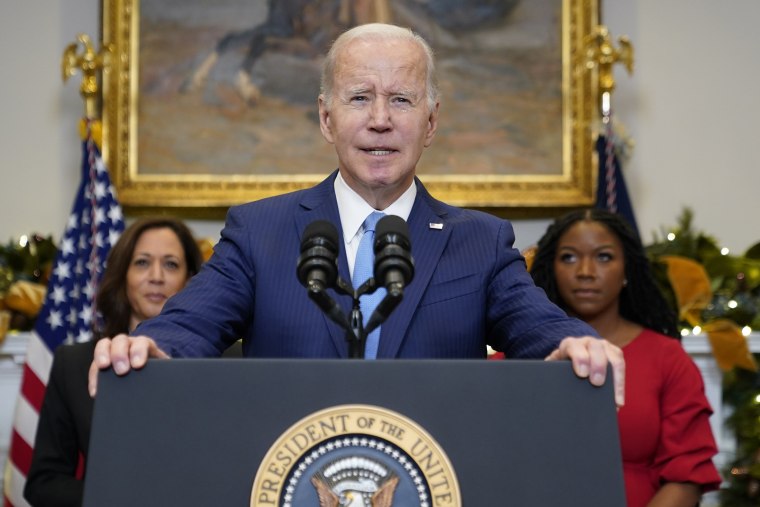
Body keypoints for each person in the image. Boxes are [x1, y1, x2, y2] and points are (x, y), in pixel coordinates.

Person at [89, 23, 624, 405]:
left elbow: (537, 325)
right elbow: (192, 323)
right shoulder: (260, 231)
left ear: (431, 123)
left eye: (402, 100)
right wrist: (153, 346)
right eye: (360, 97)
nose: (380, 121)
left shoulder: (479, 242)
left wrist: (572, 344)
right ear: (326, 118)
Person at [530, 209, 722, 507]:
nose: (585, 271)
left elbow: (686, 478)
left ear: (627, 269)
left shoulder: (667, 358)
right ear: (550, 268)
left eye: (604, 257)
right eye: (568, 257)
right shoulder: (517, 355)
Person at [24, 218, 203, 507]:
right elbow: (44, 483)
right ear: (123, 275)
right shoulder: (75, 363)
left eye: (171, 264)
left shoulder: (223, 359)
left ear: (190, 279)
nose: (156, 276)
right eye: (142, 262)